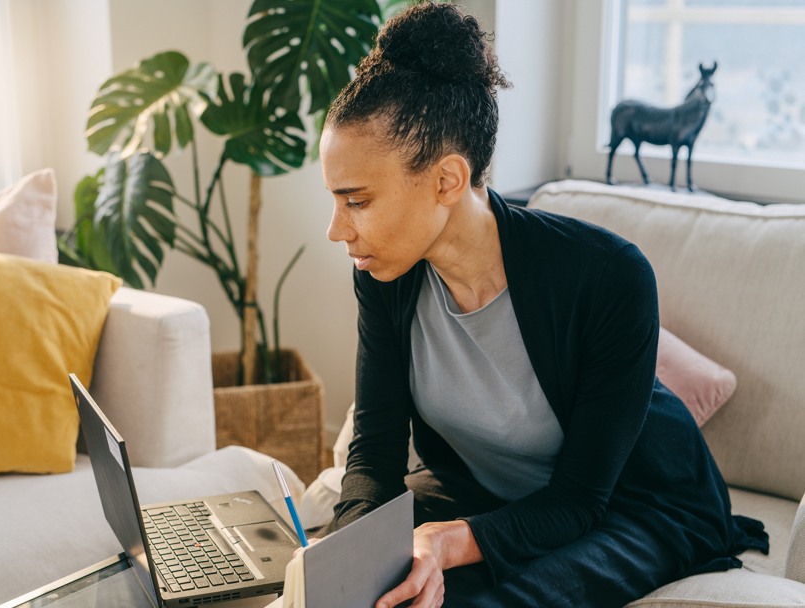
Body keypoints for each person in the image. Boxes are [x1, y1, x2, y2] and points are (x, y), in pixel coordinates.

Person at [316, 3, 768, 607]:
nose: (336, 230)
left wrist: (452, 545)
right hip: (483, 492)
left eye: (357, 201)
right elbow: (373, 450)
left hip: (633, 504)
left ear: (448, 180)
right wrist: (342, 571)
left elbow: (581, 498)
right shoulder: (384, 274)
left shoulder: (609, 276)